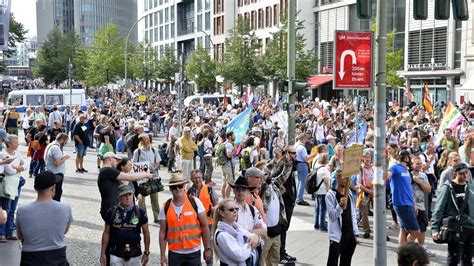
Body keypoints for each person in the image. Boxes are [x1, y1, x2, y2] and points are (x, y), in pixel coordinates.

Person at [16, 171, 73, 265]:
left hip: (31, 258)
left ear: (35, 188)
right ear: (53, 187)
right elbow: (64, 231)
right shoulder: (65, 208)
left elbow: (20, 236)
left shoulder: (22, 210)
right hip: (57, 257)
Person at [158, 173, 213, 265]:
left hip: (193, 252)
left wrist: (207, 248)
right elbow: (163, 232)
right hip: (175, 253)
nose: (177, 189)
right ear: (170, 189)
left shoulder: (195, 202)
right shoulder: (165, 207)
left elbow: (204, 227)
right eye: (174, 187)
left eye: (180, 186)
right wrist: (162, 254)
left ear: (184, 186)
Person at [432, 163, 474, 265]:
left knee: (468, 260)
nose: (465, 176)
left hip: (471, 228)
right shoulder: (447, 187)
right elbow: (439, 209)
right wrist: (435, 229)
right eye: (462, 174)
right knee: (453, 259)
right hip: (456, 228)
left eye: (466, 173)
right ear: (455, 174)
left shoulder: (471, 187)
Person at [100, 184, 150, 266]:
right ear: (119, 197)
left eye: (129, 194)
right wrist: (103, 253)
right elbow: (106, 232)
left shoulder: (140, 212)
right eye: (124, 195)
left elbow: (146, 232)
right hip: (116, 254)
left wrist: (146, 253)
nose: (128, 198)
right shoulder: (111, 212)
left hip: (135, 255)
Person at [97, 152, 155, 222]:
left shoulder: (106, 171)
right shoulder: (108, 170)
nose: (117, 162)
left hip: (111, 209)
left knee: (115, 231)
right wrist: (147, 175)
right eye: (116, 160)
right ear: (110, 158)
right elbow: (130, 177)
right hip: (111, 209)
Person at [326, 170, 359, 266]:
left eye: (347, 178)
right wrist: (340, 206)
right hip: (337, 236)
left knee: (346, 262)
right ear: (337, 178)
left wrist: (355, 232)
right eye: (343, 178)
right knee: (332, 262)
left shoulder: (348, 193)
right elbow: (332, 217)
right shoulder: (330, 195)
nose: (345, 180)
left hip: (349, 234)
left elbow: (353, 214)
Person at [212, 199, 260, 266]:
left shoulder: (237, 228)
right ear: (222, 213)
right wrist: (251, 243)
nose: (235, 211)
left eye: (236, 209)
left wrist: (255, 237)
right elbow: (239, 256)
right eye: (231, 209)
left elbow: (253, 237)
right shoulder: (222, 235)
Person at [388, 150, 420, 247]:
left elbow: (409, 189)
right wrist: (384, 163)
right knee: (416, 231)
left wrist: (414, 203)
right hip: (401, 204)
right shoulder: (395, 167)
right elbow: (386, 176)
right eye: (409, 157)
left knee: (403, 229)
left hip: (409, 203)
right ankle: (406, 250)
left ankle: (401, 251)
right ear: (406, 158)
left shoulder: (407, 171)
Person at [0, 135, 25, 242]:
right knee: (6, 208)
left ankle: (10, 231)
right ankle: (2, 233)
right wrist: (18, 169)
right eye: (15, 142)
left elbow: (25, 165)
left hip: (17, 183)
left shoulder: (17, 153)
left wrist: (18, 168)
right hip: (8, 183)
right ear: (9, 144)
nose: (17, 144)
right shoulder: (3, 154)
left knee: (12, 208)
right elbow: (8, 171)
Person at [132, 133, 162, 223]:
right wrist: (143, 170)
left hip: (153, 177)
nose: (148, 140)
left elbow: (158, 162)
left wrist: (154, 167)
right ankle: (143, 218)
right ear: (141, 141)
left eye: (148, 139)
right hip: (142, 178)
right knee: (141, 200)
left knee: (155, 199)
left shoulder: (154, 150)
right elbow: (134, 165)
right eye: (146, 139)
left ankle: (157, 217)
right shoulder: (137, 151)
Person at [410, 156, 434, 257]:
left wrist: (419, 181)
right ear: (412, 165)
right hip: (411, 206)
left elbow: (428, 189)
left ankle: (421, 247)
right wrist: (412, 205)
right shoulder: (408, 175)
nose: (419, 165)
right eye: (417, 163)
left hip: (422, 205)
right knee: (412, 230)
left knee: (423, 228)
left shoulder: (423, 175)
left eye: (420, 163)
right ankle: (407, 250)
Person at [44, 133, 70, 202]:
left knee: (51, 193)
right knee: (56, 194)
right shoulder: (56, 148)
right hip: (56, 173)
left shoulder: (50, 145)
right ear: (62, 140)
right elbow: (57, 163)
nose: (66, 143)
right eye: (66, 141)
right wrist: (65, 158)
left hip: (50, 171)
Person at [295, 134, 317, 206]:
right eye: (305, 138)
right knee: (302, 182)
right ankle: (299, 199)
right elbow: (305, 158)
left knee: (300, 182)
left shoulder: (297, 145)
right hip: (302, 164)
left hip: (298, 164)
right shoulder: (302, 148)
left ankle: (298, 197)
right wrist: (313, 155)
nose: (306, 140)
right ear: (303, 139)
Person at [313, 153, 331, 232]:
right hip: (323, 191)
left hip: (317, 190)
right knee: (323, 209)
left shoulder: (317, 167)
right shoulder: (324, 169)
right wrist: (329, 189)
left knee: (317, 208)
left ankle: (316, 224)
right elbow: (326, 181)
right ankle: (322, 225)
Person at [221, 131, 237, 199]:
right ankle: (226, 199)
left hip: (225, 164)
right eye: (233, 135)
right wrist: (235, 150)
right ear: (230, 136)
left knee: (224, 182)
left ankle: (224, 199)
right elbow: (229, 155)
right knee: (229, 183)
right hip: (228, 165)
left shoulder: (225, 143)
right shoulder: (229, 145)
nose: (235, 136)